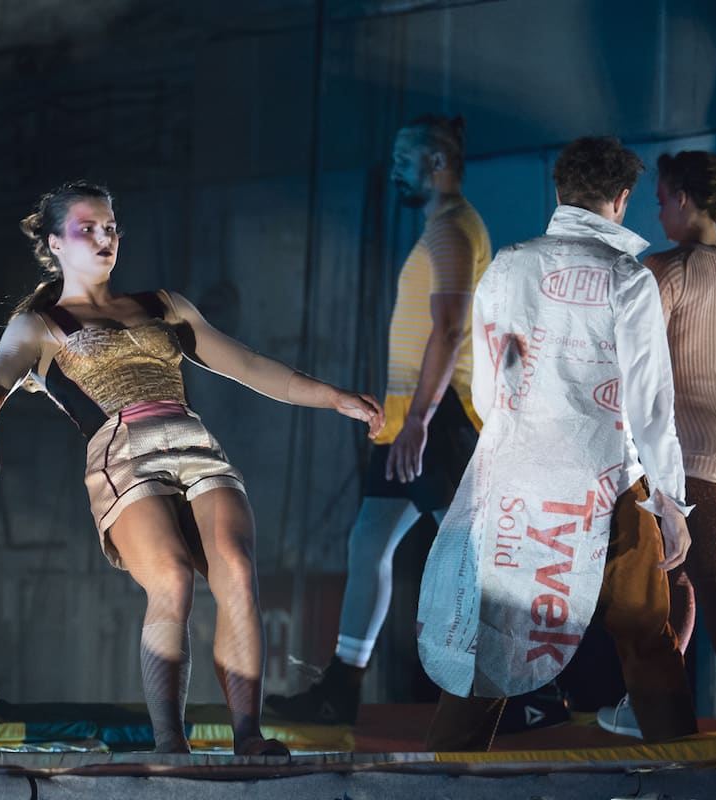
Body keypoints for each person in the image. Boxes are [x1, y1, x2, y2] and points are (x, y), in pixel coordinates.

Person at [0, 180, 385, 755]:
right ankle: (169, 742)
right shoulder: (40, 324)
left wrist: (334, 397)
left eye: (111, 228)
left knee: (237, 568)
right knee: (173, 578)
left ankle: (248, 736)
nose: (105, 238)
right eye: (88, 229)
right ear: (55, 243)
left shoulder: (165, 305)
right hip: (122, 451)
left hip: (193, 441)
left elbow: (248, 365)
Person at [416, 136, 697, 750]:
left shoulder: (507, 265)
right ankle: (682, 777)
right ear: (622, 199)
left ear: (558, 190)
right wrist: (671, 503)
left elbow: (488, 387)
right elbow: (650, 405)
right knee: (645, 639)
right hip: (609, 482)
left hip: (516, 480)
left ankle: (442, 778)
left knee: (492, 643)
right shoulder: (628, 278)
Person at [267, 115, 492, 725]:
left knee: (470, 556)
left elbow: (450, 328)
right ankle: (341, 688)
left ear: (436, 163)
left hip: (437, 418)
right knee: (368, 542)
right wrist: (403, 418)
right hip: (408, 419)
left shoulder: (453, 229)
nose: (394, 171)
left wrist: (419, 420)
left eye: (403, 159)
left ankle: (518, 691)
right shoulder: (439, 229)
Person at [598, 150, 716, 738]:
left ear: (683, 199)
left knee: (689, 585)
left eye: (662, 199)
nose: (659, 212)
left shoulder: (666, 270)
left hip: (691, 464)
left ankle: (651, 711)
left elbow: (632, 368)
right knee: (683, 584)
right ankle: (647, 709)